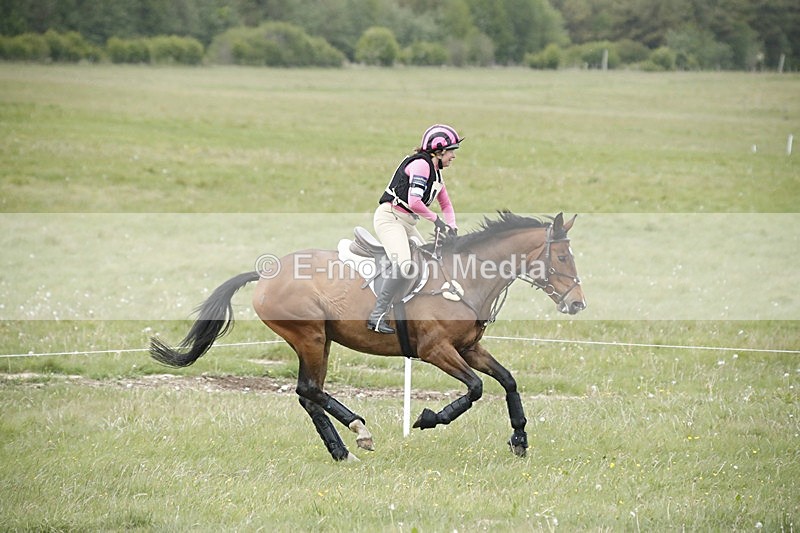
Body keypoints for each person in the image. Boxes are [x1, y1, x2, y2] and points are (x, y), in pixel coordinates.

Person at [367, 124, 462, 333]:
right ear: (439, 151)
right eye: (451, 151)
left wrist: (452, 227)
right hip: (390, 218)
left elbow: (446, 204)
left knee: (428, 262)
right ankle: (377, 314)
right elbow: (415, 201)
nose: (453, 156)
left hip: (407, 222)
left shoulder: (436, 173)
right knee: (404, 265)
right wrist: (437, 221)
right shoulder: (421, 166)